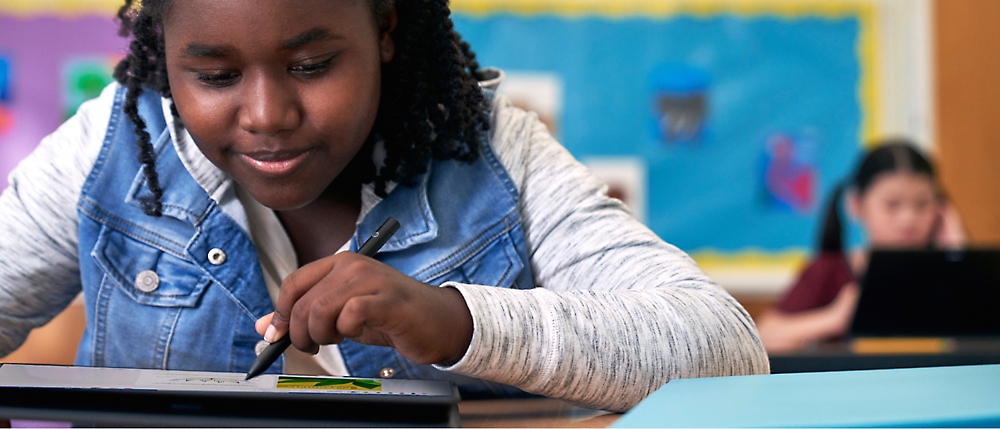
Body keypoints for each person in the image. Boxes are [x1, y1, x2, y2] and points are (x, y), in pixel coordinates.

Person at [0, 0, 768, 412]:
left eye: (312, 64)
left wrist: (454, 321)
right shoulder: (114, 143)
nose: (266, 113)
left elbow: (724, 351)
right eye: (214, 74)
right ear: (164, 55)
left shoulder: (494, 149)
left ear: (387, 29)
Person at [756, 139, 965, 353]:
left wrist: (958, 258)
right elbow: (764, 336)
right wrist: (834, 319)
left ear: (940, 209)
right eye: (892, 204)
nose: (908, 219)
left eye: (922, 204)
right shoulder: (830, 270)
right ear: (856, 204)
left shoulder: (952, 276)